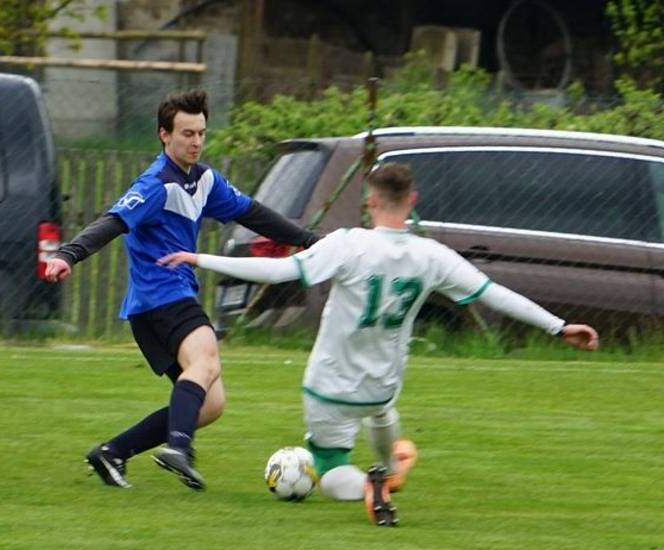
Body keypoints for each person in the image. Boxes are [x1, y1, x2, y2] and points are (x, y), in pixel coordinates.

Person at [159, 162, 599, 525]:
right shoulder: (433, 256)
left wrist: (200, 258)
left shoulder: (349, 244)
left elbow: (280, 272)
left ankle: (377, 484)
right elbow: (491, 293)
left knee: (328, 471)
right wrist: (559, 326)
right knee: (384, 413)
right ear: (412, 201)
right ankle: (388, 469)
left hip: (328, 387)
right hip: (381, 386)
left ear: (370, 202)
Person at [45, 89, 320, 491]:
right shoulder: (156, 184)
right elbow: (113, 220)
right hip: (161, 297)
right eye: (186, 134)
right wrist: (69, 255)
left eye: (201, 133)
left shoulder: (204, 180)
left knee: (209, 404)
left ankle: (112, 452)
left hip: (161, 303)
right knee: (206, 360)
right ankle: (180, 449)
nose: (195, 142)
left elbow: (254, 214)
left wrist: (310, 240)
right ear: (164, 135)